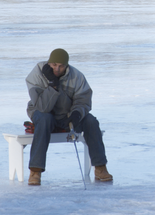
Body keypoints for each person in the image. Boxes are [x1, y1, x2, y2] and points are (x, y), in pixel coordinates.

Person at [25, 48, 113, 185]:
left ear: (67, 66)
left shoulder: (76, 76)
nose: (57, 69)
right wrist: (52, 85)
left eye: (61, 66)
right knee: (44, 119)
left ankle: (100, 167)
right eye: (54, 65)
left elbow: (83, 100)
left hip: (66, 114)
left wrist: (76, 114)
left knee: (91, 121)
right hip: (42, 112)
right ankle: (35, 171)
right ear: (49, 63)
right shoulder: (36, 74)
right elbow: (43, 107)